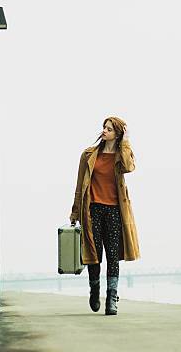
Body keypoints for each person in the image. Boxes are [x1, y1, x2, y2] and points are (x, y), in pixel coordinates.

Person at [69, 116, 141, 316]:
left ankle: (112, 298)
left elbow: (129, 167)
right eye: (104, 127)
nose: (104, 131)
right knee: (93, 254)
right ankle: (94, 289)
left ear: (117, 134)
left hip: (115, 210)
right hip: (92, 209)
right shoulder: (89, 155)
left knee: (113, 256)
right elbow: (79, 186)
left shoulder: (121, 155)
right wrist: (75, 211)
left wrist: (125, 141)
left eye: (109, 129)